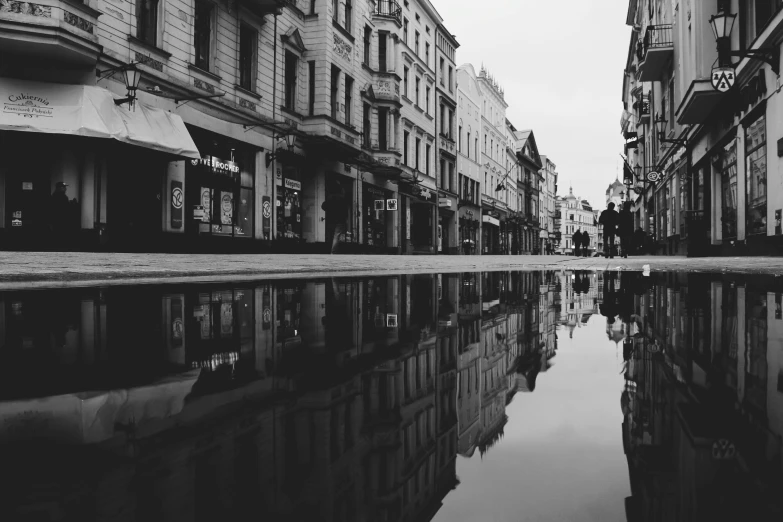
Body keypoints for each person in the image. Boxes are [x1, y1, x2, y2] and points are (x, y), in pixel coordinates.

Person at [322, 180, 349, 254]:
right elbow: (345, 210)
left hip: (331, 219)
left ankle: (328, 249)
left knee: (330, 234)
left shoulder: (330, 197)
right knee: (336, 236)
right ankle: (333, 251)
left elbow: (323, 206)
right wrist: (345, 218)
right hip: (340, 220)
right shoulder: (342, 198)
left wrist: (329, 211)